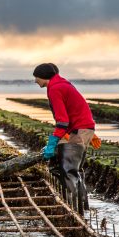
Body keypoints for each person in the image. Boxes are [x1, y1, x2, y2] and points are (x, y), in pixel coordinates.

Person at [33, 63, 96, 213]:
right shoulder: (62, 84)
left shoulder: (55, 88)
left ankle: (73, 212)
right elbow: (76, 110)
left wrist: (52, 142)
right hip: (82, 128)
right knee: (75, 171)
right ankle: (83, 210)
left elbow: (62, 121)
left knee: (68, 171)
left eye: (36, 77)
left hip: (78, 130)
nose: (35, 81)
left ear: (44, 77)